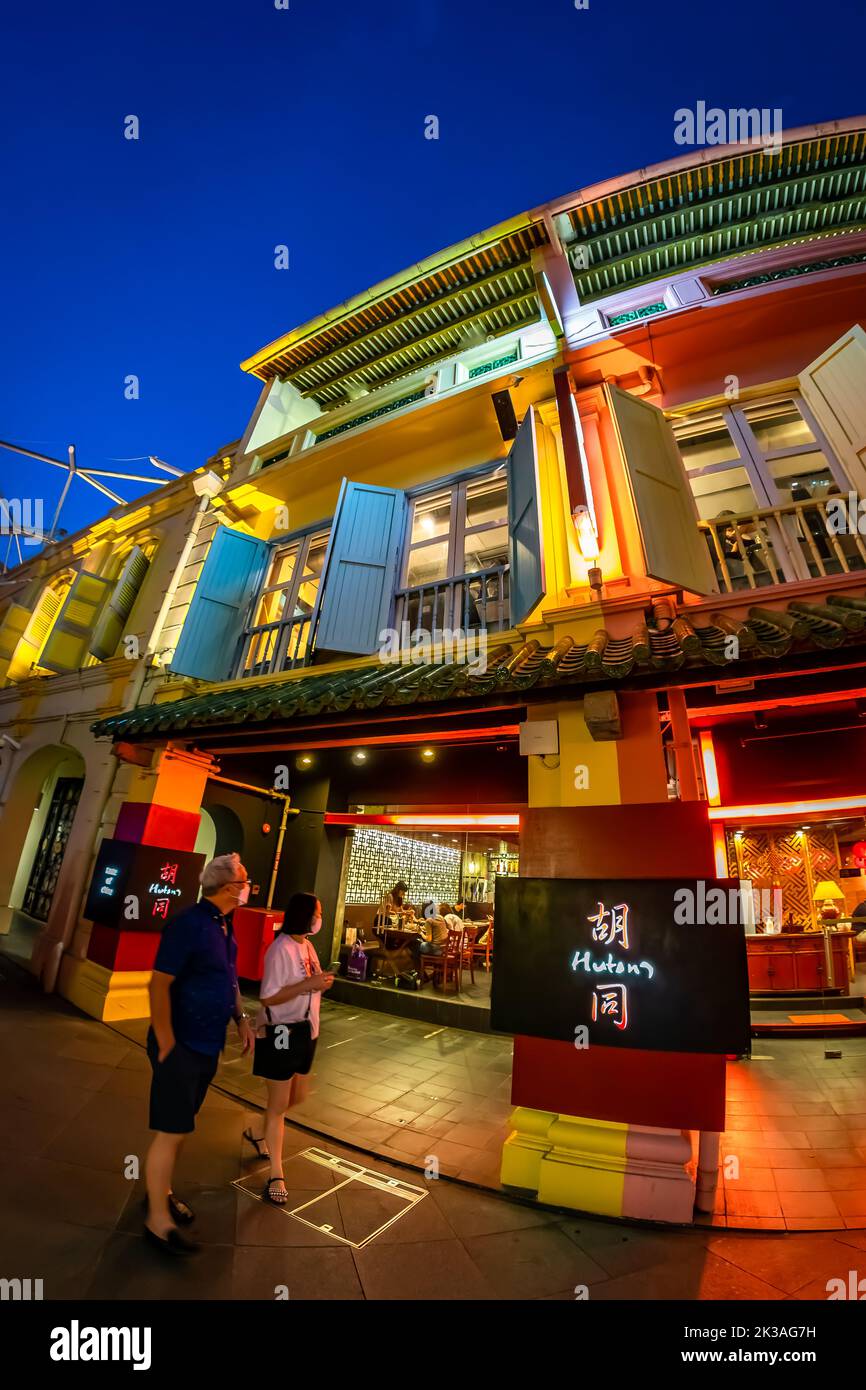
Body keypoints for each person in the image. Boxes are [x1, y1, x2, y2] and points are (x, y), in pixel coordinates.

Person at [144, 853, 254, 1255]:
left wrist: (240, 1018)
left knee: (181, 1126)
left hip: (207, 1044)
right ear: (229, 888)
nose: (248, 888)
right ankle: (157, 1219)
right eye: (245, 882)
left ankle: (162, 1190)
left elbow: (229, 978)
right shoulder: (188, 924)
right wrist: (167, 1042)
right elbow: (158, 985)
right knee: (172, 1130)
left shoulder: (225, 925)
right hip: (181, 1044)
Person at [243, 893, 334, 1205]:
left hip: (307, 1031)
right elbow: (268, 997)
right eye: (317, 912)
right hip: (282, 1030)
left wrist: (319, 982)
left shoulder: (306, 945)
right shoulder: (280, 949)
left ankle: (258, 1131)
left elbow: (308, 982)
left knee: (297, 1096)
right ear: (304, 915)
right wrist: (310, 985)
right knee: (280, 1103)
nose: (320, 918)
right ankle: (276, 1173)